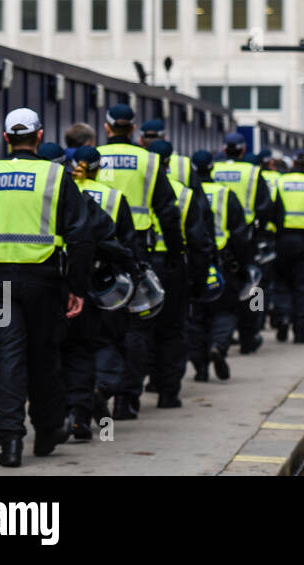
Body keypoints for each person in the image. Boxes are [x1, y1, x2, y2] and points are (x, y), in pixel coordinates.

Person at [0, 108, 93, 467]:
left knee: (6, 361)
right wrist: (77, 286)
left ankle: (10, 442)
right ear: (40, 137)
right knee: (45, 357)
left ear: (5, 138)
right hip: (44, 281)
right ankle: (46, 432)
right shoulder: (56, 176)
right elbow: (80, 234)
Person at [95, 105, 186, 415]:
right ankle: (126, 398)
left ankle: (96, 391)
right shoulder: (148, 161)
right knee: (136, 327)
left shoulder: (90, 157)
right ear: (132, 130)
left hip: (95, 252)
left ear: (107, 128)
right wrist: (175, 253)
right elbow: (168, 212)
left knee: (99, 325)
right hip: (135, 251)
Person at [64, 146, 142, 438]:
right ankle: (99, 391)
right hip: (102, 282)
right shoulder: (111, 197)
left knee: (66, 348)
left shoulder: (59, 191)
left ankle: (69, 411)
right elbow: (125, 241)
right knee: (106, 341)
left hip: (59, 282)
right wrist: (133, 270)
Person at [143, 139, 216, 401]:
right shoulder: (184, 193)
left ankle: (131, 396)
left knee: (142, 328)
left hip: (142, 267)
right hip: (174, 268)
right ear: (169, 162)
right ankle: (169, 392)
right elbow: (199, 241)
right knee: (173, 330)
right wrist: (198, 280)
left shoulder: (135, 192)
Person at [190, 150, 253, 377]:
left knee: (197, 315)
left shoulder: (186, 193)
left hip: (195, 262)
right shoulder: (225, 195)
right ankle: (218, 346)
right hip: (223, 262)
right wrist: (242, 265)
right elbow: (239, 235)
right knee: (225, 311)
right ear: (212, 168)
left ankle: (200, 367)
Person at [212, 133, 273, 353]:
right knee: (255, 287)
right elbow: (265, 207)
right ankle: (249, 336)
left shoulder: (214, 169)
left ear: (224, 148)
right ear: (242, 150)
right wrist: (259, 231)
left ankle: (219, 338)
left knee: (220, 289)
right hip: (246, 238)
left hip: (216, 239)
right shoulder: (253, 172)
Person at [272, 152, 304, 342]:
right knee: (303, 287)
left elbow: (272, 209)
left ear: (293, 162)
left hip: (282, 240)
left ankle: (282, 317)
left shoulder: (280, 182)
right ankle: (300, 332)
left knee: (282, 284)